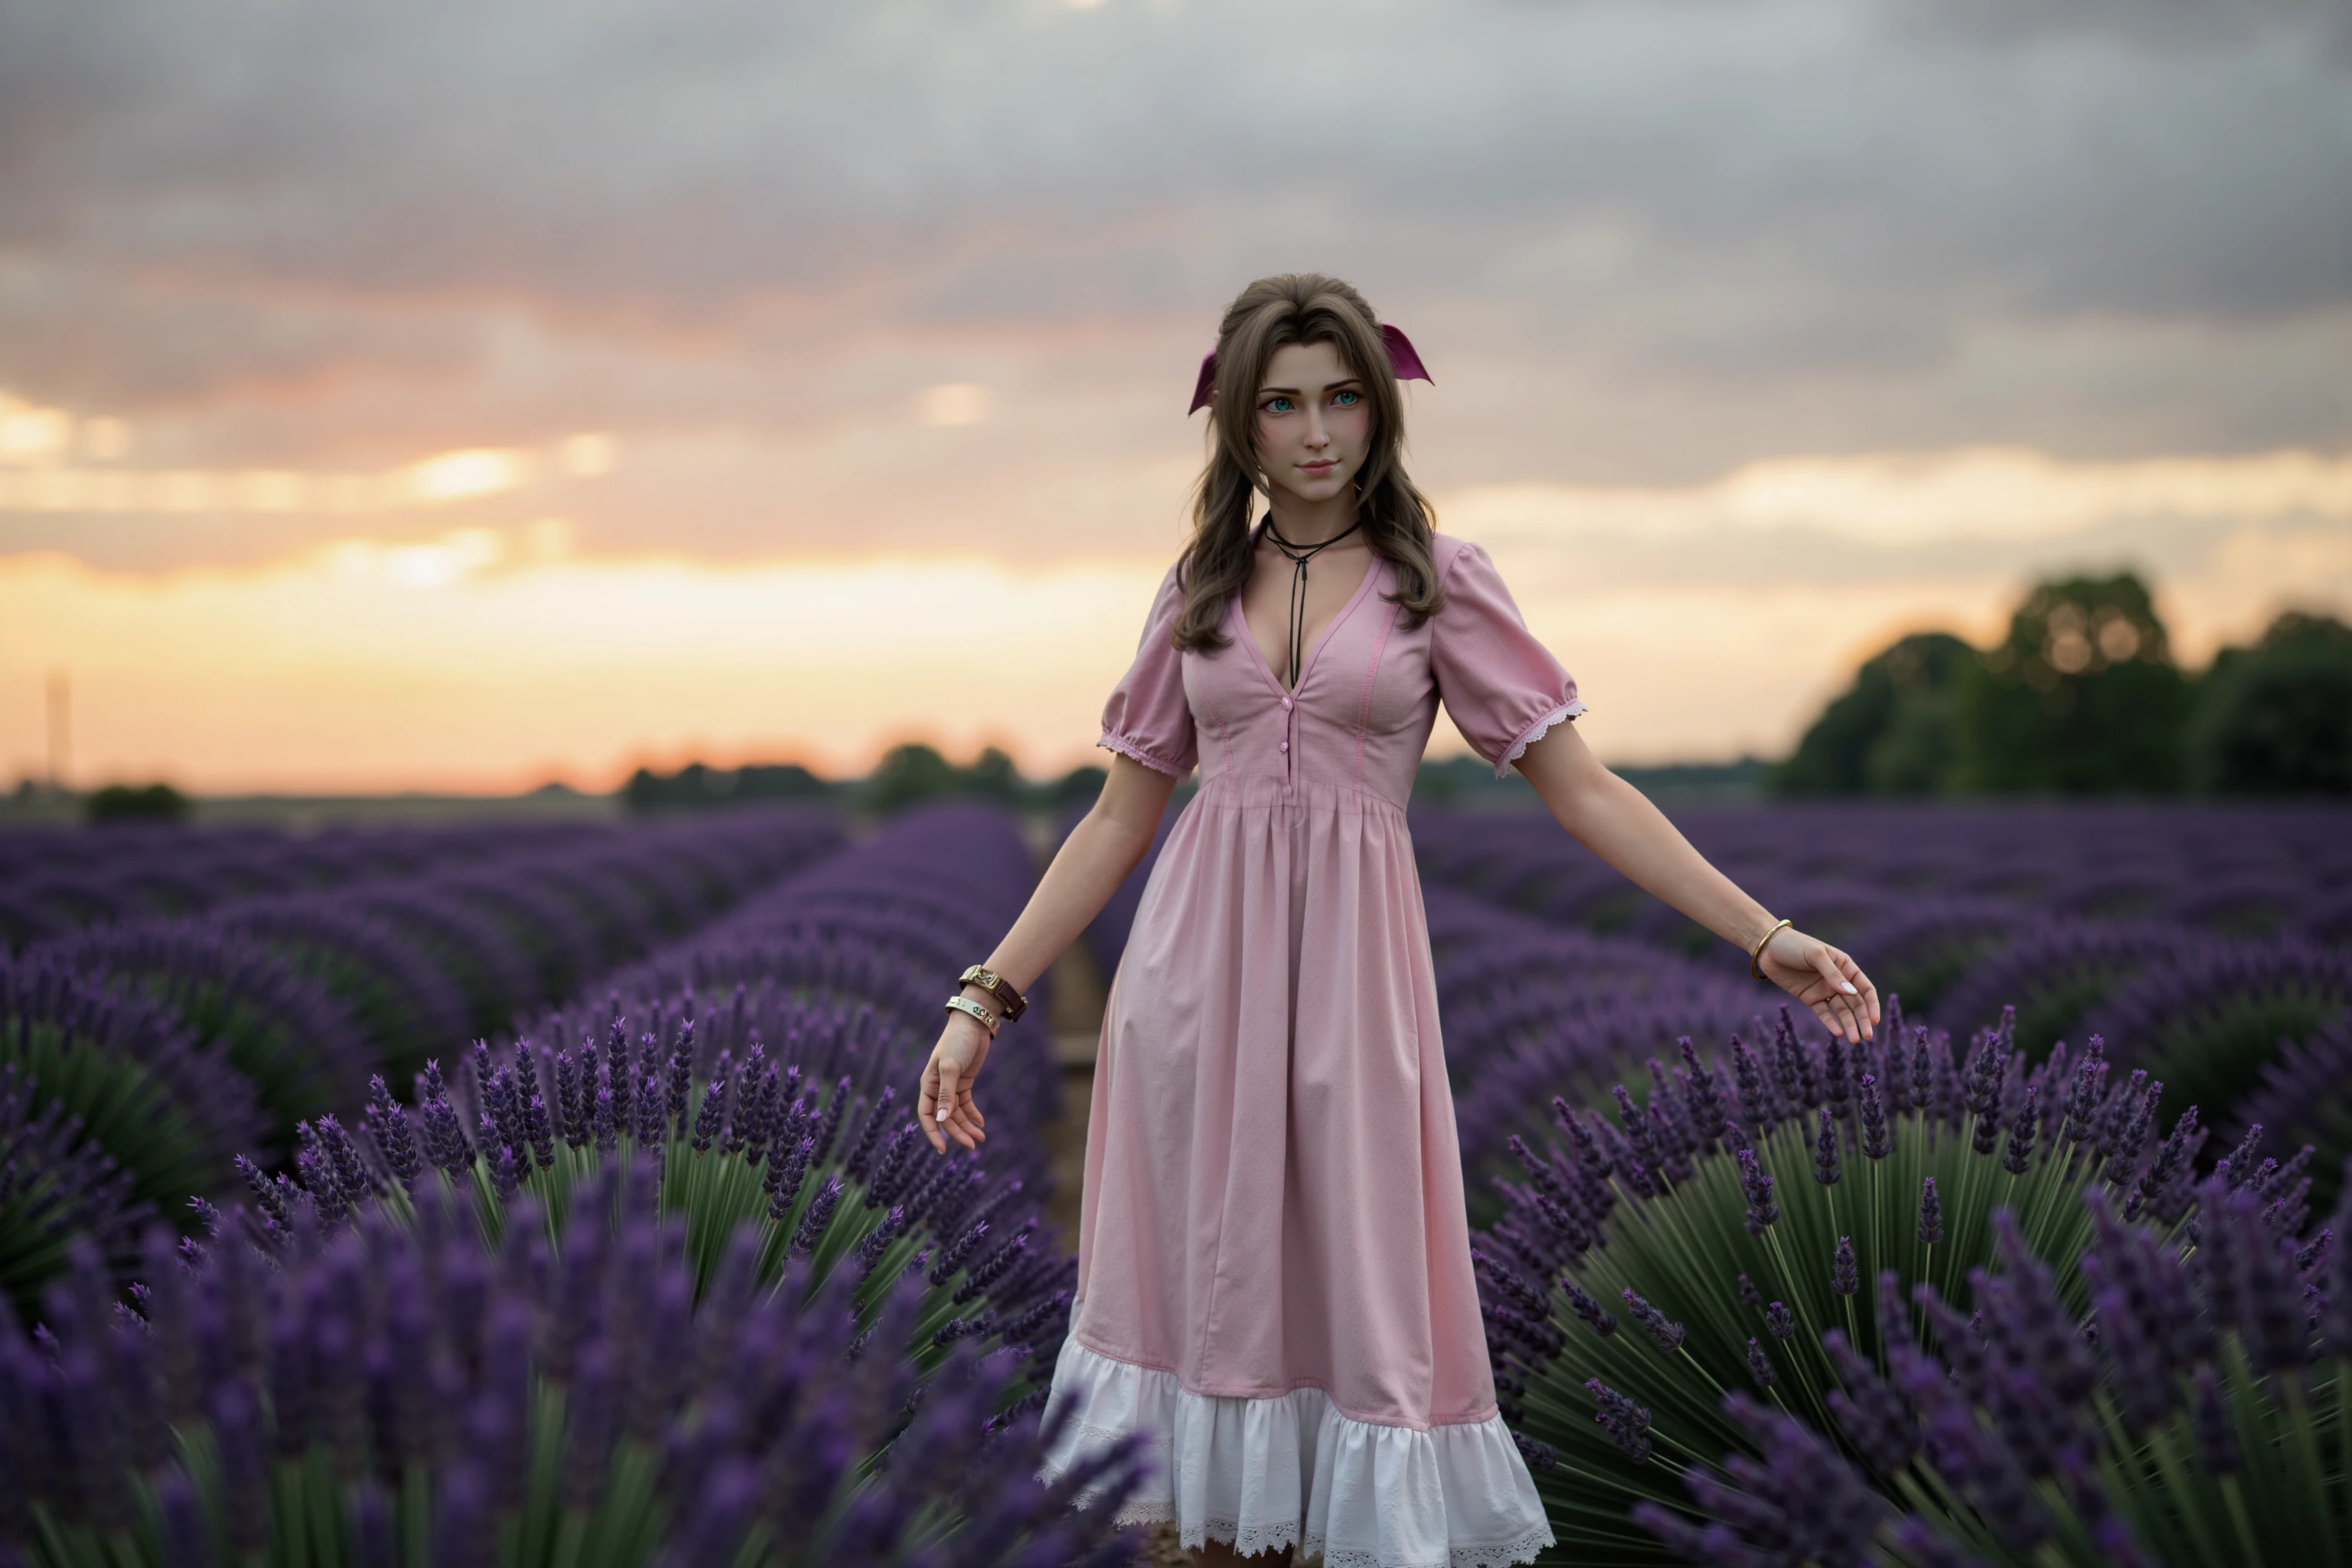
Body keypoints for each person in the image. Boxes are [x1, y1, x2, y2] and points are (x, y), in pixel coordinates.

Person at [916, 273, 1880, 1567]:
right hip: (1194, 995)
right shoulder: (1197, 586)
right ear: (1240, 426)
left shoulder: (1441, 583)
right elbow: (1114, 820)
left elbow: (1584, 792)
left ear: (1380, 413)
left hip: (1359, 997)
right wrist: (987, 998)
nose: (1317, 433)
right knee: (1208, 1332)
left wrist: (1767, 935)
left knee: (1363, 1327)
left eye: (1343, 400)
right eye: (1283, 404)